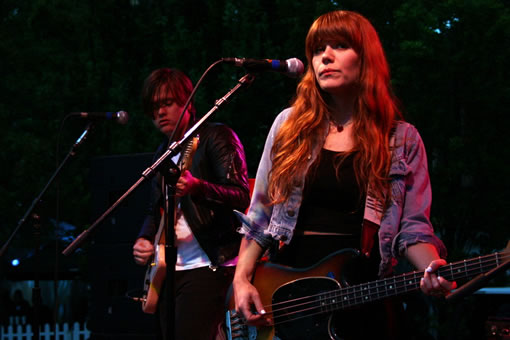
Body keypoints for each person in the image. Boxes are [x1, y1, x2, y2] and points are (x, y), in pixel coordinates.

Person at [232, 10, 457, 340]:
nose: (325, 56)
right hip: (290, 294)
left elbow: (412, 229)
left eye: (339, 45)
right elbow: (261, 214)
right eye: (318, 49)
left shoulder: (401, 139)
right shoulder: (288, 127)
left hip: (363, 296)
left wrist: (432, 267)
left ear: (365, 58)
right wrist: (241, 280)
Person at [132, 68, 250, 340]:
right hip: (170, 271)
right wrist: (144, 238)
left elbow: (241, 195)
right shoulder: (162, 154)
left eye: (167, 103)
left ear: (188, 102)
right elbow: (155, 211)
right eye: (154, 107)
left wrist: (198, 187)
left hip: (209, 265)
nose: (160, 113)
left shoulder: (215, 136)